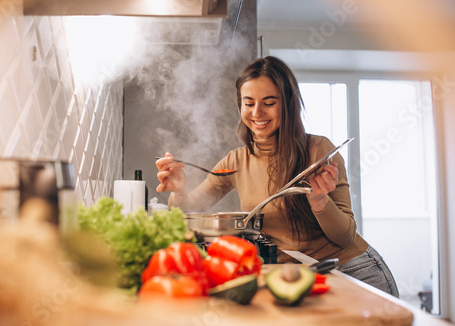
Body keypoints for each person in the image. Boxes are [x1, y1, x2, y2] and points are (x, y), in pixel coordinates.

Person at [155, 56, 399, 297]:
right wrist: (178, 190)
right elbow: (186, 211)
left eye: (269, 102)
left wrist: (320, 201)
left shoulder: (319, 151)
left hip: (351, 270)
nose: (257, 112)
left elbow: (345, 236)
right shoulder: (236, 161)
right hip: (295, 276)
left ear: (288, 104)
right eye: (248, 103)